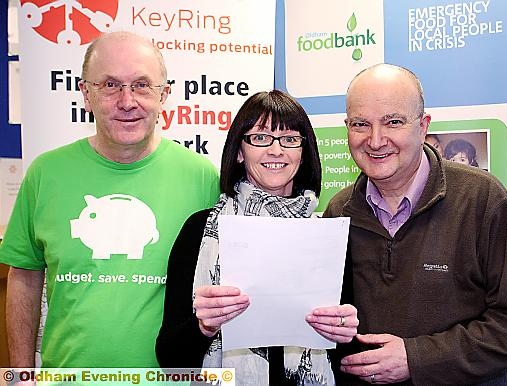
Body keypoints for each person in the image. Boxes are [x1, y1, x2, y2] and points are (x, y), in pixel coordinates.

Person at [0, 31, 220, 368]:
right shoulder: (46, 174)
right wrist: (20, 374)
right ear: (86, 94)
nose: (127, 101)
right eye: (110, 85)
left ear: (164, 96)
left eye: (142, 85)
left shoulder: (202, 178)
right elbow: (24, 275)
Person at [324, 63, 507, 385]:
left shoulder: (482, 199)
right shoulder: (339, 211)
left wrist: (417, 359)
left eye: (393, 122)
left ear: (422, 126)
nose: (375, 140)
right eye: (361, 124)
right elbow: (334, 327)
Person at [156, 90, 359, 385]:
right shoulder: (201, 230)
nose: (276, 150)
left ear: (303, 153)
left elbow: (342, 356)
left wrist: (344, 333)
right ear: (239, 151)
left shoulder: (325, 236)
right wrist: (204, 326)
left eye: (290, 139)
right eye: (260, 137)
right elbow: (169, 359)